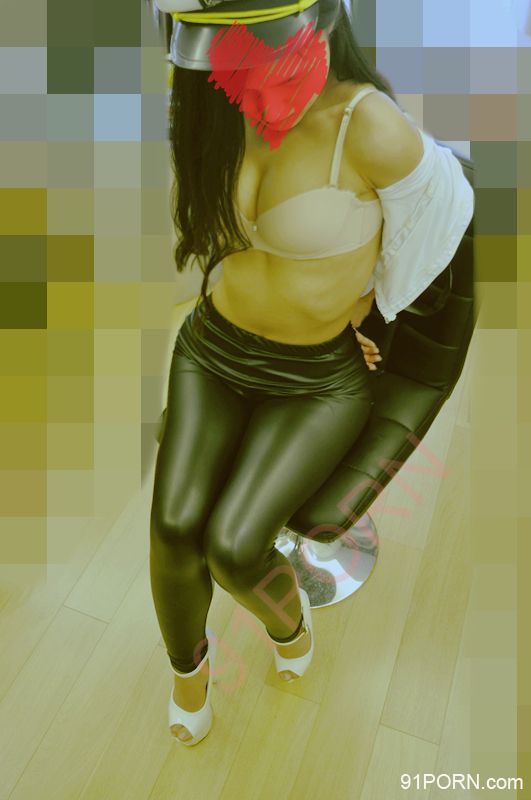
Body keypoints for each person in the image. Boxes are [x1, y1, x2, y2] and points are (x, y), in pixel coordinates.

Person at [147, 0, 474, 746]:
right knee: (173, 527)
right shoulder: (216, 101)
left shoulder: (371, 127)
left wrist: (372, 315)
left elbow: (441, 225)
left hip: (314, 379)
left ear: (322, 21)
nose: (249, 80)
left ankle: (289, 630)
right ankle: (188, 675)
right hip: (212, 349)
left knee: (235, 546)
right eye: (232, 59)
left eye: (266, 55)